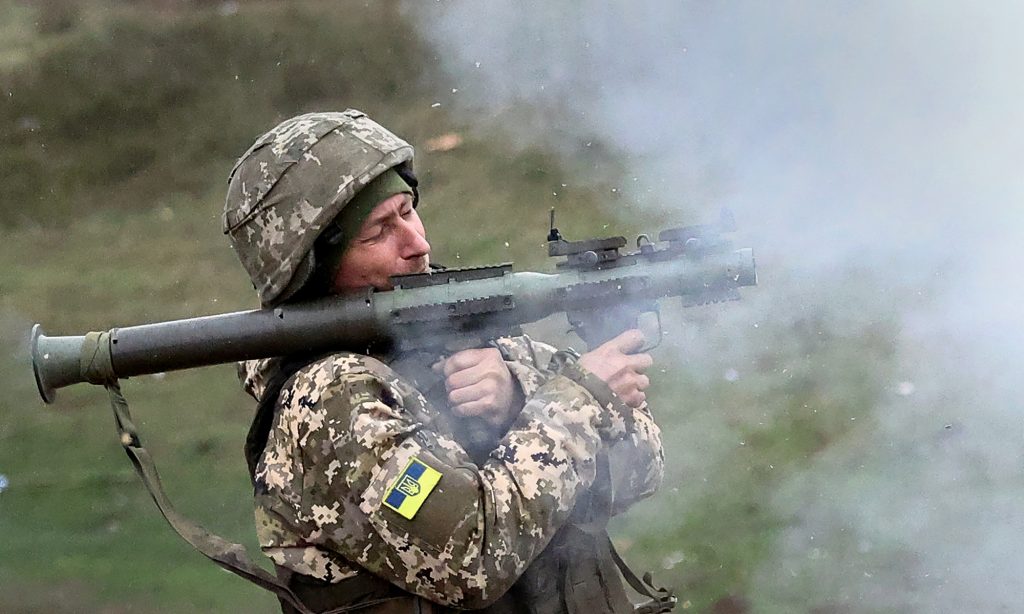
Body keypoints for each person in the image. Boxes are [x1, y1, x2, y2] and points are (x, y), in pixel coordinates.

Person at [223, 110, 666, 613]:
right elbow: (471, 562)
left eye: (408, 211)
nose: (418, 245)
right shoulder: (325, 399)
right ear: (316, 267)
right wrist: (574, 401)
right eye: (377, 232)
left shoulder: (458, 335)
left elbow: (643, 469)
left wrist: (517, 402)